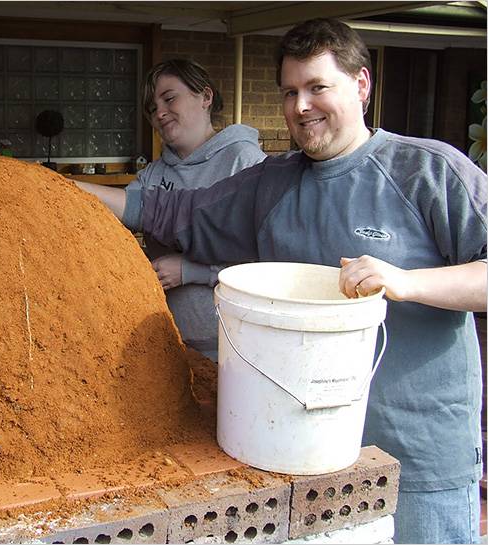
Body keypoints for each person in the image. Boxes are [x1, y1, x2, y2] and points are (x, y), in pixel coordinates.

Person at [77, 18, 487, 544]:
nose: (301, 106)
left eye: (318, 87)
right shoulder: (272, 183)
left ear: (361, 85)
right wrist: (60, 189)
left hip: (417, 457)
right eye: (290, 91)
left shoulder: (426, 171)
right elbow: (167, 210)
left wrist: (406, 282)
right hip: (301, 456)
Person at [95, 59, 265, 360]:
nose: (159, 113)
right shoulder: (153, 175)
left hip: (232, 349)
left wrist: (192, 271)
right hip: (171, 348)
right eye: (152, 108)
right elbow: (116, 213)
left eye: (169, 98)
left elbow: (266, 265)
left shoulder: (245, 163)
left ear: (205, 97)